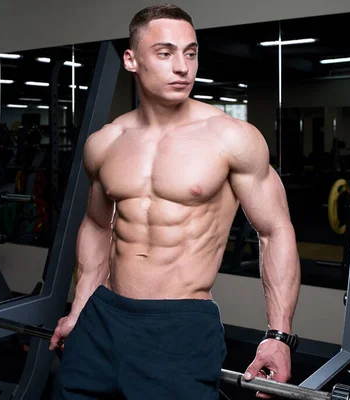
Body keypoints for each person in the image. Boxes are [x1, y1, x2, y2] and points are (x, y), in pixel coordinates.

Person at [49, 3, 301, 399]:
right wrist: (80, 308)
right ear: (132, 60)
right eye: (165, 53)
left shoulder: (231, 138)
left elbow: (275, 231)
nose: (183, 67)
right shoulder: (105, 142)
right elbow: (98, 226)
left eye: (191, 52)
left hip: (180, 324)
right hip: (103, 317)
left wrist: (279, 335)